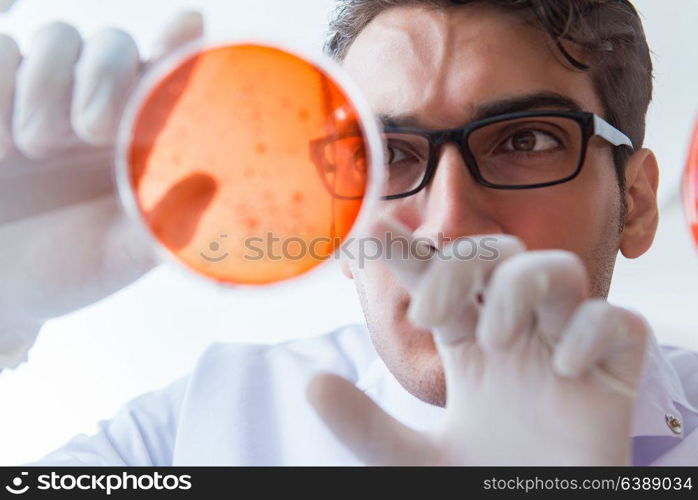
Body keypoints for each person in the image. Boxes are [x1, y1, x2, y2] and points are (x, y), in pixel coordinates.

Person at [0, 0, 696, 466]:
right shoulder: (192, 432)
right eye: (387, 154)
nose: (449, 222)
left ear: (635, 202)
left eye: (527, 139)